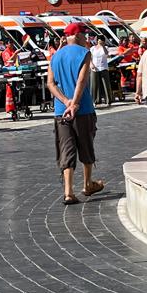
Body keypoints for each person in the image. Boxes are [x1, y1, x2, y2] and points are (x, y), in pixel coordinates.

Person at [48, 22, 103, 205]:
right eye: (84, 35)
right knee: (86, 145)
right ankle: (88, 184)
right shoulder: (84, 53)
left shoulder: (55, 57)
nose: (86, 38)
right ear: (77, 35)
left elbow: (50, 83)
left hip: (60, 111)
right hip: (83, 108)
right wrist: (75, 103)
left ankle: (68, 192)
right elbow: (82, 80)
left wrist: (65, 102)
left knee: (66, 148)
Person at [89, 35, 111, 105]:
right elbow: (90, 57)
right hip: (95, 67)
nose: (100, 41)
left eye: (102, 40)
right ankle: (95, 100)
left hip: (103, 67)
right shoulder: (93, 48)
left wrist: (103, 46)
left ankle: (108, 100)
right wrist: (91, 64)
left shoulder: (105, 47)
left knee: (105, 84)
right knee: (94, 84)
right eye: (99, 40)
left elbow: (107, 54)